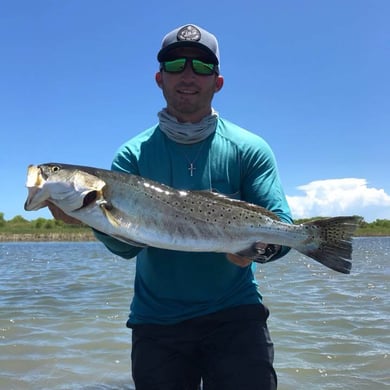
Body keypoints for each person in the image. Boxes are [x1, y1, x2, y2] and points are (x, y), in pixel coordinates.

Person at [50, 24, 293, 390]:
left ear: (218, 82)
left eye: (202, 66)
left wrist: (258, 251)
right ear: (159, 78)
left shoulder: (249, 148)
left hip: (236, 316)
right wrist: (90, 218)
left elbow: (283, 229)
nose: (188, 74)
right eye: (176, 64)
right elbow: (126, 247)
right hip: (156, 321)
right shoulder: (132, 155)